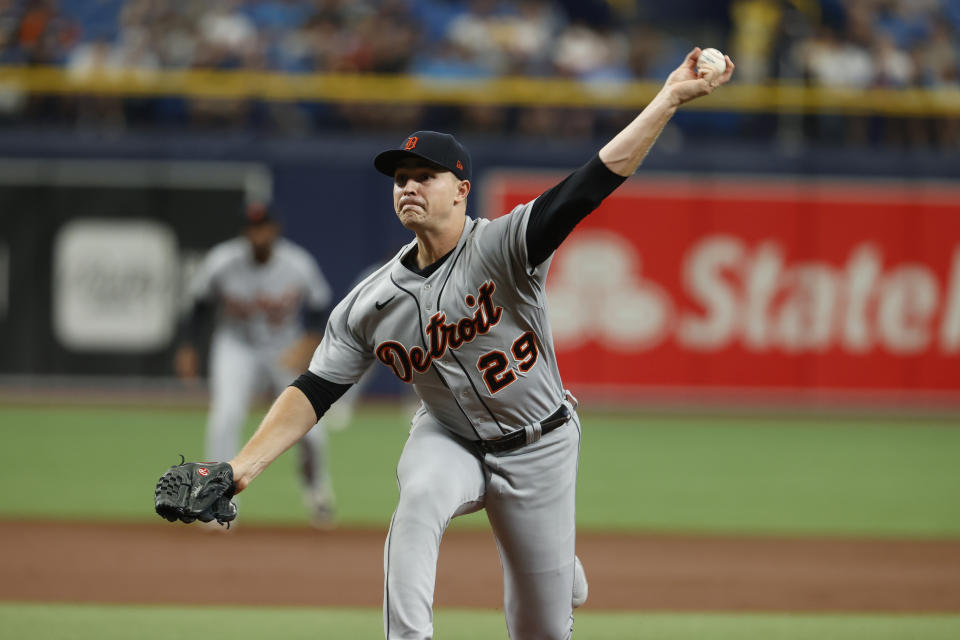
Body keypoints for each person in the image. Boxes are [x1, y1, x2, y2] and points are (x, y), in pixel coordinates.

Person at [225, 48, 733, 638]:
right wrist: (241, 469)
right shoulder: (370, 302)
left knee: (540, 630)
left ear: (461, 188)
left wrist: (667, 98)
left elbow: (591, 182)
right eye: (400, 180)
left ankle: (552, 551)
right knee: (418, 500)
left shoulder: (502, 245)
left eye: (424, 177)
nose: (408, 187)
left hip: (539, 446)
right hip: (448, 437)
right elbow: (313, 390)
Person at [174, 203, 337, 527]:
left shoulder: (297, 263)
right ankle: (216, 500)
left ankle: (317, 492)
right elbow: (198, 305)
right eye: (252, 228)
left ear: (275, 230)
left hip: (283, 349)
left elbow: (321, 307)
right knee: (226, 417)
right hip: (236, 347)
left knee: (310, 429)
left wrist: (307, 344)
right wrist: (188, 346)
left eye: (263, 227)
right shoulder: (222, 261)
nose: (258, 234)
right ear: (244, 233)